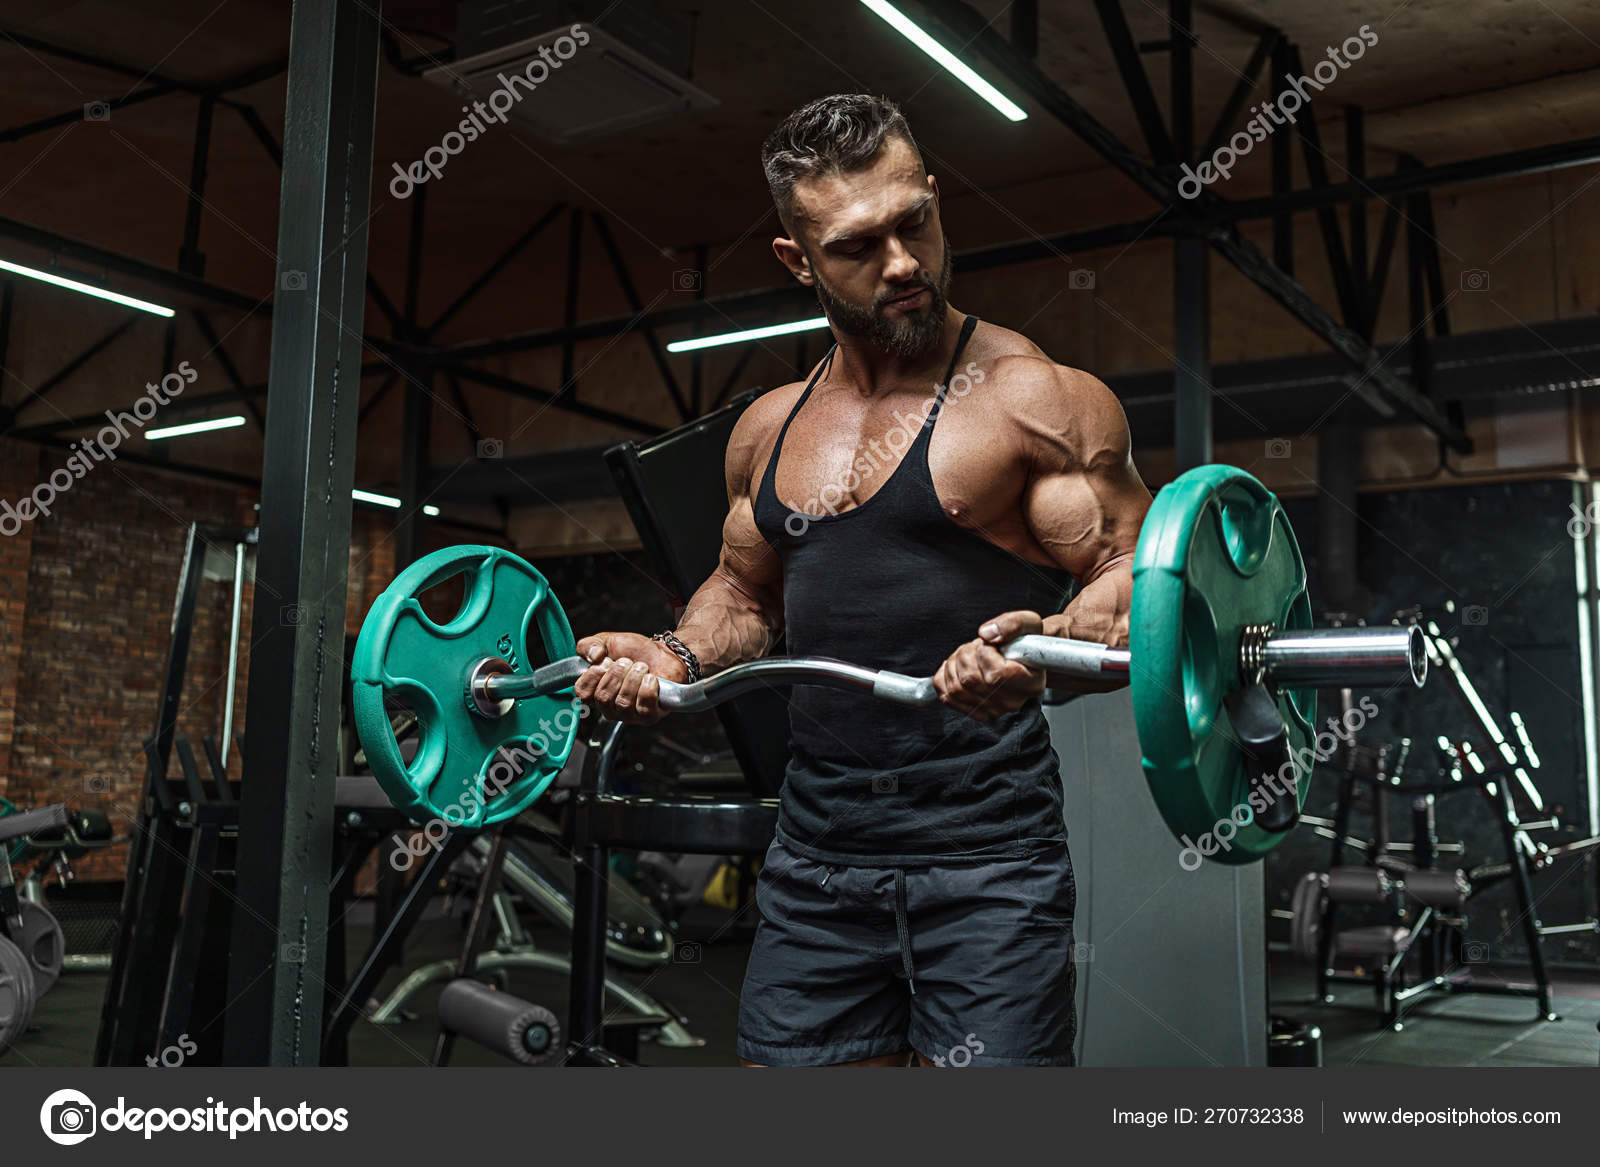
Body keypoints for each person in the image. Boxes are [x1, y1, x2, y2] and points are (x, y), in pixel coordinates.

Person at [574, 93, 1151, 1067]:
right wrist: (670, 655)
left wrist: (1043, 655)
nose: (900, 264)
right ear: (797, 261)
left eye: (913, 222)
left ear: (931, 194)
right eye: (855, 246)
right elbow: (743, 596)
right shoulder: (766, 430)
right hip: (814, 866)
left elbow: (1137, 573)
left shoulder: (1032, 400)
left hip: (986, 868)